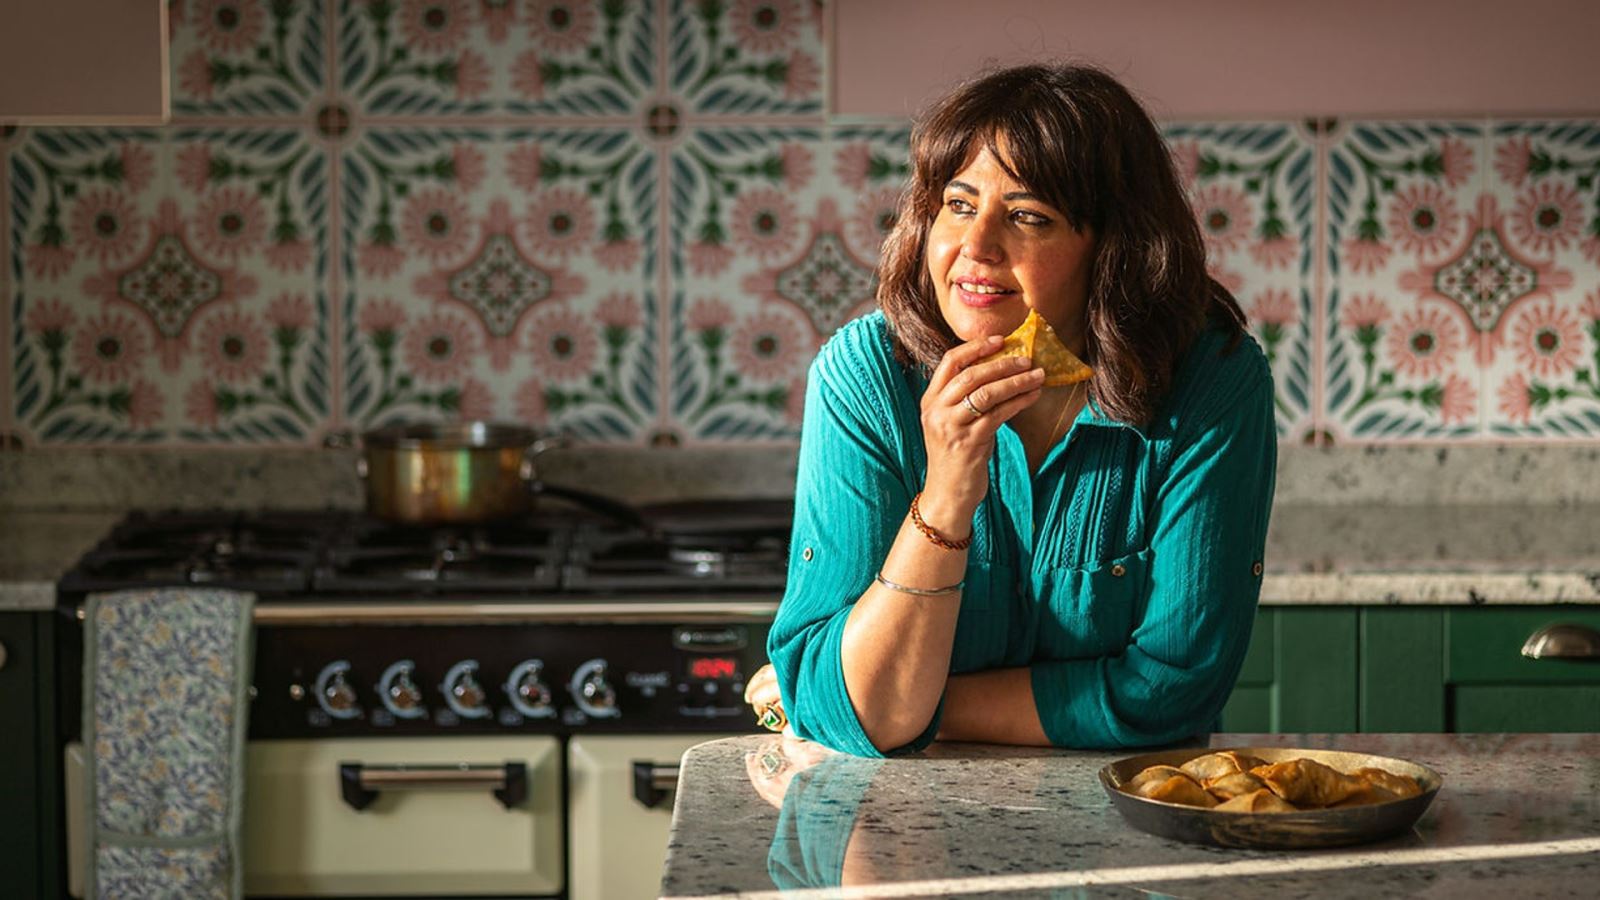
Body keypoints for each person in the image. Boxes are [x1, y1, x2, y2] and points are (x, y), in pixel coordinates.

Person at [743, 62, 1277, 757]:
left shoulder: (1211, 380)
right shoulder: (864, 378)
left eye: (1027, 217)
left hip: (1123, 835)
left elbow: (1172, 691)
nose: (975, 246)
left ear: (1113, 249)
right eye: (958, 205)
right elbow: (851, 708)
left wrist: (920, 704)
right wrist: (947, 493)